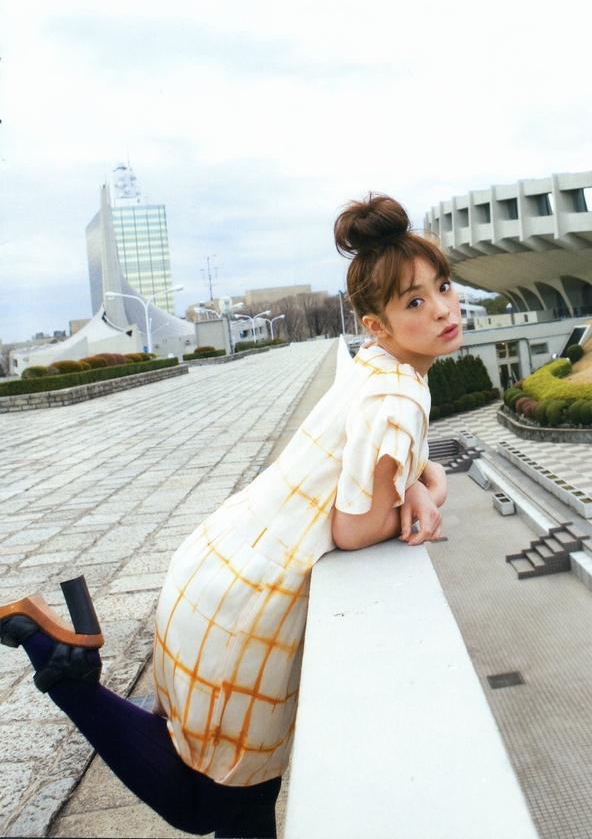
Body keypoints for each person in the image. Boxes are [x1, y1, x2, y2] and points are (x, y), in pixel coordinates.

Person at [0, 193, 464, 839]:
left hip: (218, 568)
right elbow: (355, 527)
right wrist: (431, 490)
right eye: (414, 301)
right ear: (376, 325)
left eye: (443, 286)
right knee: (222, 808)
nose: (442, 308)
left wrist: (414, 479)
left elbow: (363, 465)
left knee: (222, 802)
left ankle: (68, 671)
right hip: (248, 610)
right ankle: (64, 671)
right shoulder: (402, 395)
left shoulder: (376, 366)